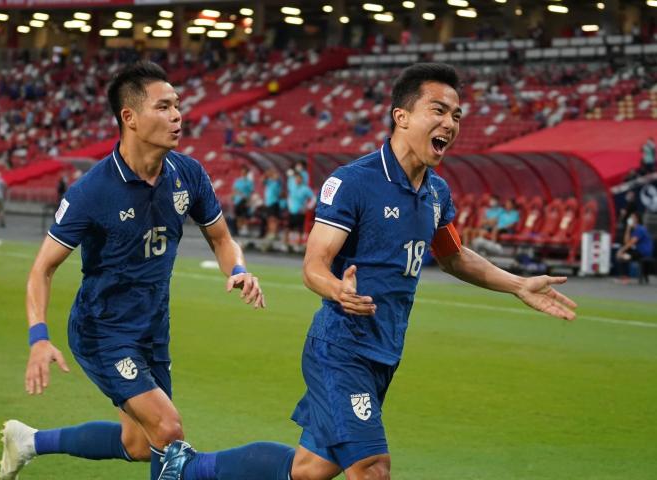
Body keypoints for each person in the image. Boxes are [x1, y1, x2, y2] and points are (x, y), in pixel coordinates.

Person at [157, 63, 578, 480]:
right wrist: (338, 290)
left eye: (456, 115)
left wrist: (518, 284)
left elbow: (453, 256)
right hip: (341, 349)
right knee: (373, 468)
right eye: (438, 110)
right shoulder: (354, 182)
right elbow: (314, 266)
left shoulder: (436, 192)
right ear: (402, 116)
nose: (449, 123)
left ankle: (188, 468)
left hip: (385, 350)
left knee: (310, 469)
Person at [0, 61, 265, 480]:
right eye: (163, 106)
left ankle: (29, 441)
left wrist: (238, 269)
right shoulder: (93, 190)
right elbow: (42, 269)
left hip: (152, 327)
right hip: (103, 330)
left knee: (139, 445)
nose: (177, 115)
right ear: (130, 117)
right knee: (169, 428)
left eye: (177, 105)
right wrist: (38, 337)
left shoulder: (188, 174)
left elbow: (221, 238)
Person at [615, 212, 654, 283]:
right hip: (638, 251)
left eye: (632, 217)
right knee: (623, 255)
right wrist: (628, 229)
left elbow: (631, 243)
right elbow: (626, 242)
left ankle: (625, 277)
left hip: (643, 252)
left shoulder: (640, 229)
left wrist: (621, 251)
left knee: (623, 255)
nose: (630, 219)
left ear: (636, 219)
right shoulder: (634, 230)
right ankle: (624, 276)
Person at [284, 171, 315, 250]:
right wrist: (289, 205)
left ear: (302, 179)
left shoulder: (305, 189)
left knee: (299, 229)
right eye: (296, 178)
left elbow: (313, 198)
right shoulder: (292, 186)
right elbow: (289, 196)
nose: (297, 180)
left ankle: (297, 245)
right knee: (288, 228)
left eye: (299, 178)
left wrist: (308, 207)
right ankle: (286, 244)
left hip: (300, 212)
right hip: (292, 211)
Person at [231, 165, 254, 235]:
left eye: (245, 172)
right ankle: (239, 229)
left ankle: (244, 229)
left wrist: (249, 201)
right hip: (237, 200)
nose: (243, 173)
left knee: (244, 216)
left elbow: (251, 192)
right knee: (238, 216)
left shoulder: (249, 182)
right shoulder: (238, 180)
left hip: (244, 200)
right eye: (242, 172)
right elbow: (234, 190)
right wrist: (234, 197)